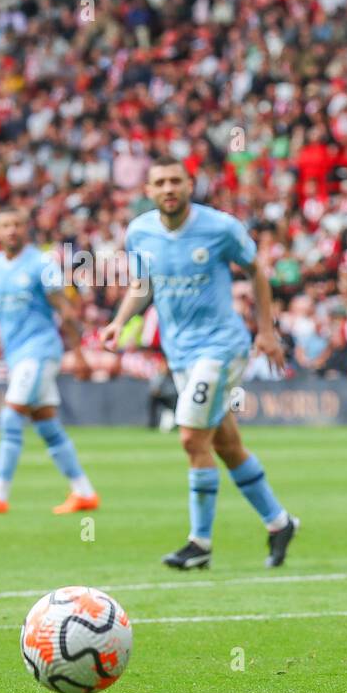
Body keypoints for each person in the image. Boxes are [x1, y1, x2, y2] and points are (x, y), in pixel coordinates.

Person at [101, 157, 299, 570]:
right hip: (179, 352)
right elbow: (142, 285)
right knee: (226, 446)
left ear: (190, 185)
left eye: (176, 180)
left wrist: (265, 331)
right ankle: (279, 523)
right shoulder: (140, 232)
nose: (169, 188)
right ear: (149, 191)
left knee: (191, 438)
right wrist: (120, 322)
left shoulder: (220, 227)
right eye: (160, 182)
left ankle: (200, 543)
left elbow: (256, 271)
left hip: (221, 347)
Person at [0, 209, 98, 516]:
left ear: (26, 229)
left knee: (10, 419)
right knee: (47, 425)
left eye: (17, 225)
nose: (11, 230)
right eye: (5, 225)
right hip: (17, 356)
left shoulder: (42, 263)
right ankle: (84, 491)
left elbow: (67, 311)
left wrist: (78, 354)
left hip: (39, 352)